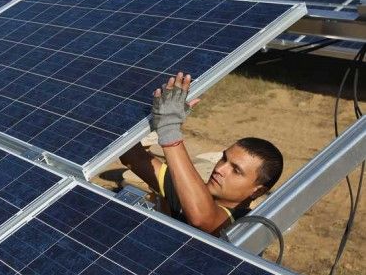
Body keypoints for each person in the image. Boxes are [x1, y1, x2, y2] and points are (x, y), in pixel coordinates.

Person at [119, 72, 283, 236]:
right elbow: (131, 156)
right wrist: (152, 121)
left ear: (257, 191)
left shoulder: (244, 226)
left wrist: (169, 129)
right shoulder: (189, 191)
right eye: (224, 158)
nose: (220, 169)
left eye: (236, 170)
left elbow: (202, 218)